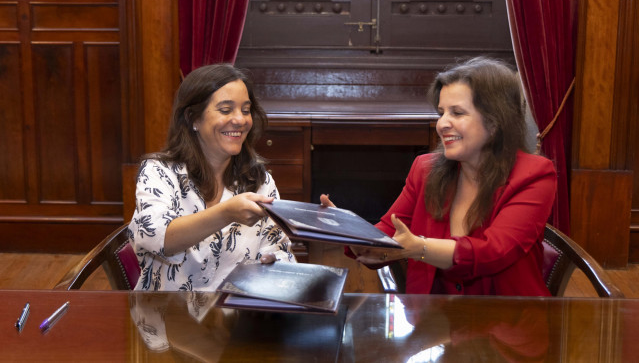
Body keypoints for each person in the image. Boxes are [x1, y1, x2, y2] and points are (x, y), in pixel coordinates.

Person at [323, 56, 557, 296]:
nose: (442, 124)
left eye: (457, 112)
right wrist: (352, 234)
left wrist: (419, 248)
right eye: (441, 112)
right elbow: (391, 231)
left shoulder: (535, 175)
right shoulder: (424, 168)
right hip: (430, 321)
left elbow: (494, 251)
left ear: (495, 121)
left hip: (509, 322)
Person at [128, 64, 295, 291]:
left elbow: (280, 250)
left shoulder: (259, 180)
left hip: (236, 317)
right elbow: (158, 237)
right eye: (226, 110)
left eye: (246, 110)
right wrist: (226, 213)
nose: (240, 120)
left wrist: (273, 262)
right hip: (167, 317)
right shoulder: (160, 171)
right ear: (193, 119)